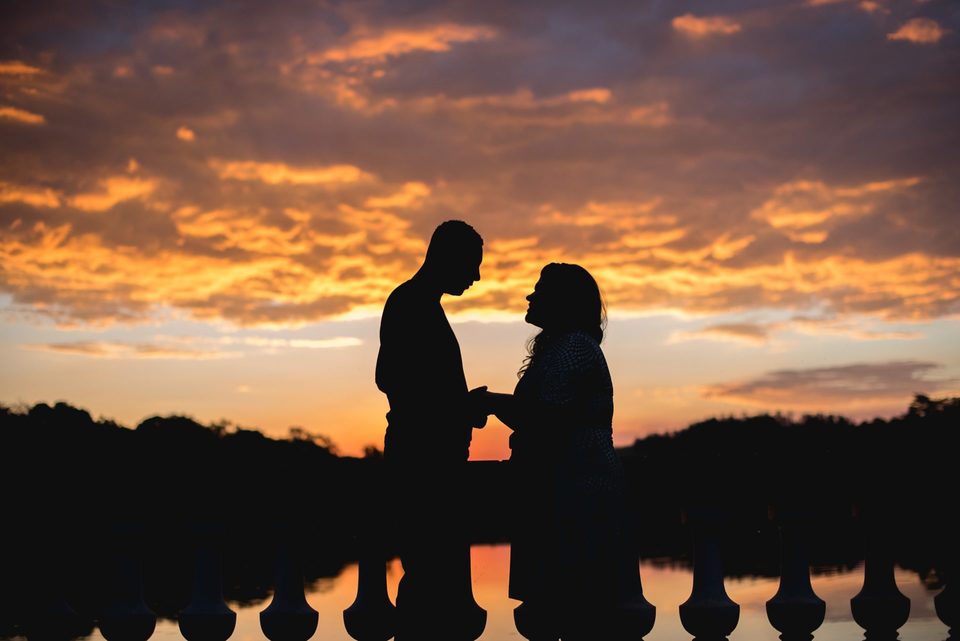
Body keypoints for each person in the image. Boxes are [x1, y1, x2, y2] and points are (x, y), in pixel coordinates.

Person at [480, 263, 635, 639]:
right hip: (562, 495)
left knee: (567, 608)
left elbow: (544, 416)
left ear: (562, 302)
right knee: (561, 608)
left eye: (540, 290)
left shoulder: (573, 347)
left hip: (574, 499)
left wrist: (491, 403)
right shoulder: (565, 347)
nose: (530, 297)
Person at [375, 219, 488, 639]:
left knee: (433, 578)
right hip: (425, 463)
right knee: (429, 577)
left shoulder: (419, 303)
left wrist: (461, 407)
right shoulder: (410, 303)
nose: (475, 277)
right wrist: (462, 407)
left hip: (430, 459)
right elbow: (391, 378)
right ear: (448, 258)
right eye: (471, 265)